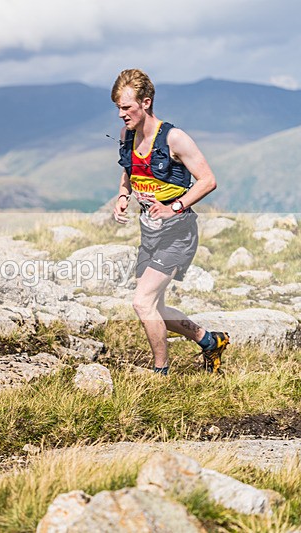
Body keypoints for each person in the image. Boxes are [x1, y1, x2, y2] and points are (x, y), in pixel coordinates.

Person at [111, 68, 229, 375]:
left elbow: (208, 180)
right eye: (118, 108)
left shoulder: (174, 138)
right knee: (156, 308)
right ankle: (209, 340)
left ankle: (160, 373)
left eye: (126, 107)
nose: (121, 114)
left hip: (178, 234)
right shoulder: (127, 136)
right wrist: (123, 196)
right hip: (149, 234)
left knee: (142, 302)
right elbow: (129, 171)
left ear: (146, 102)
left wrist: (174, 207)